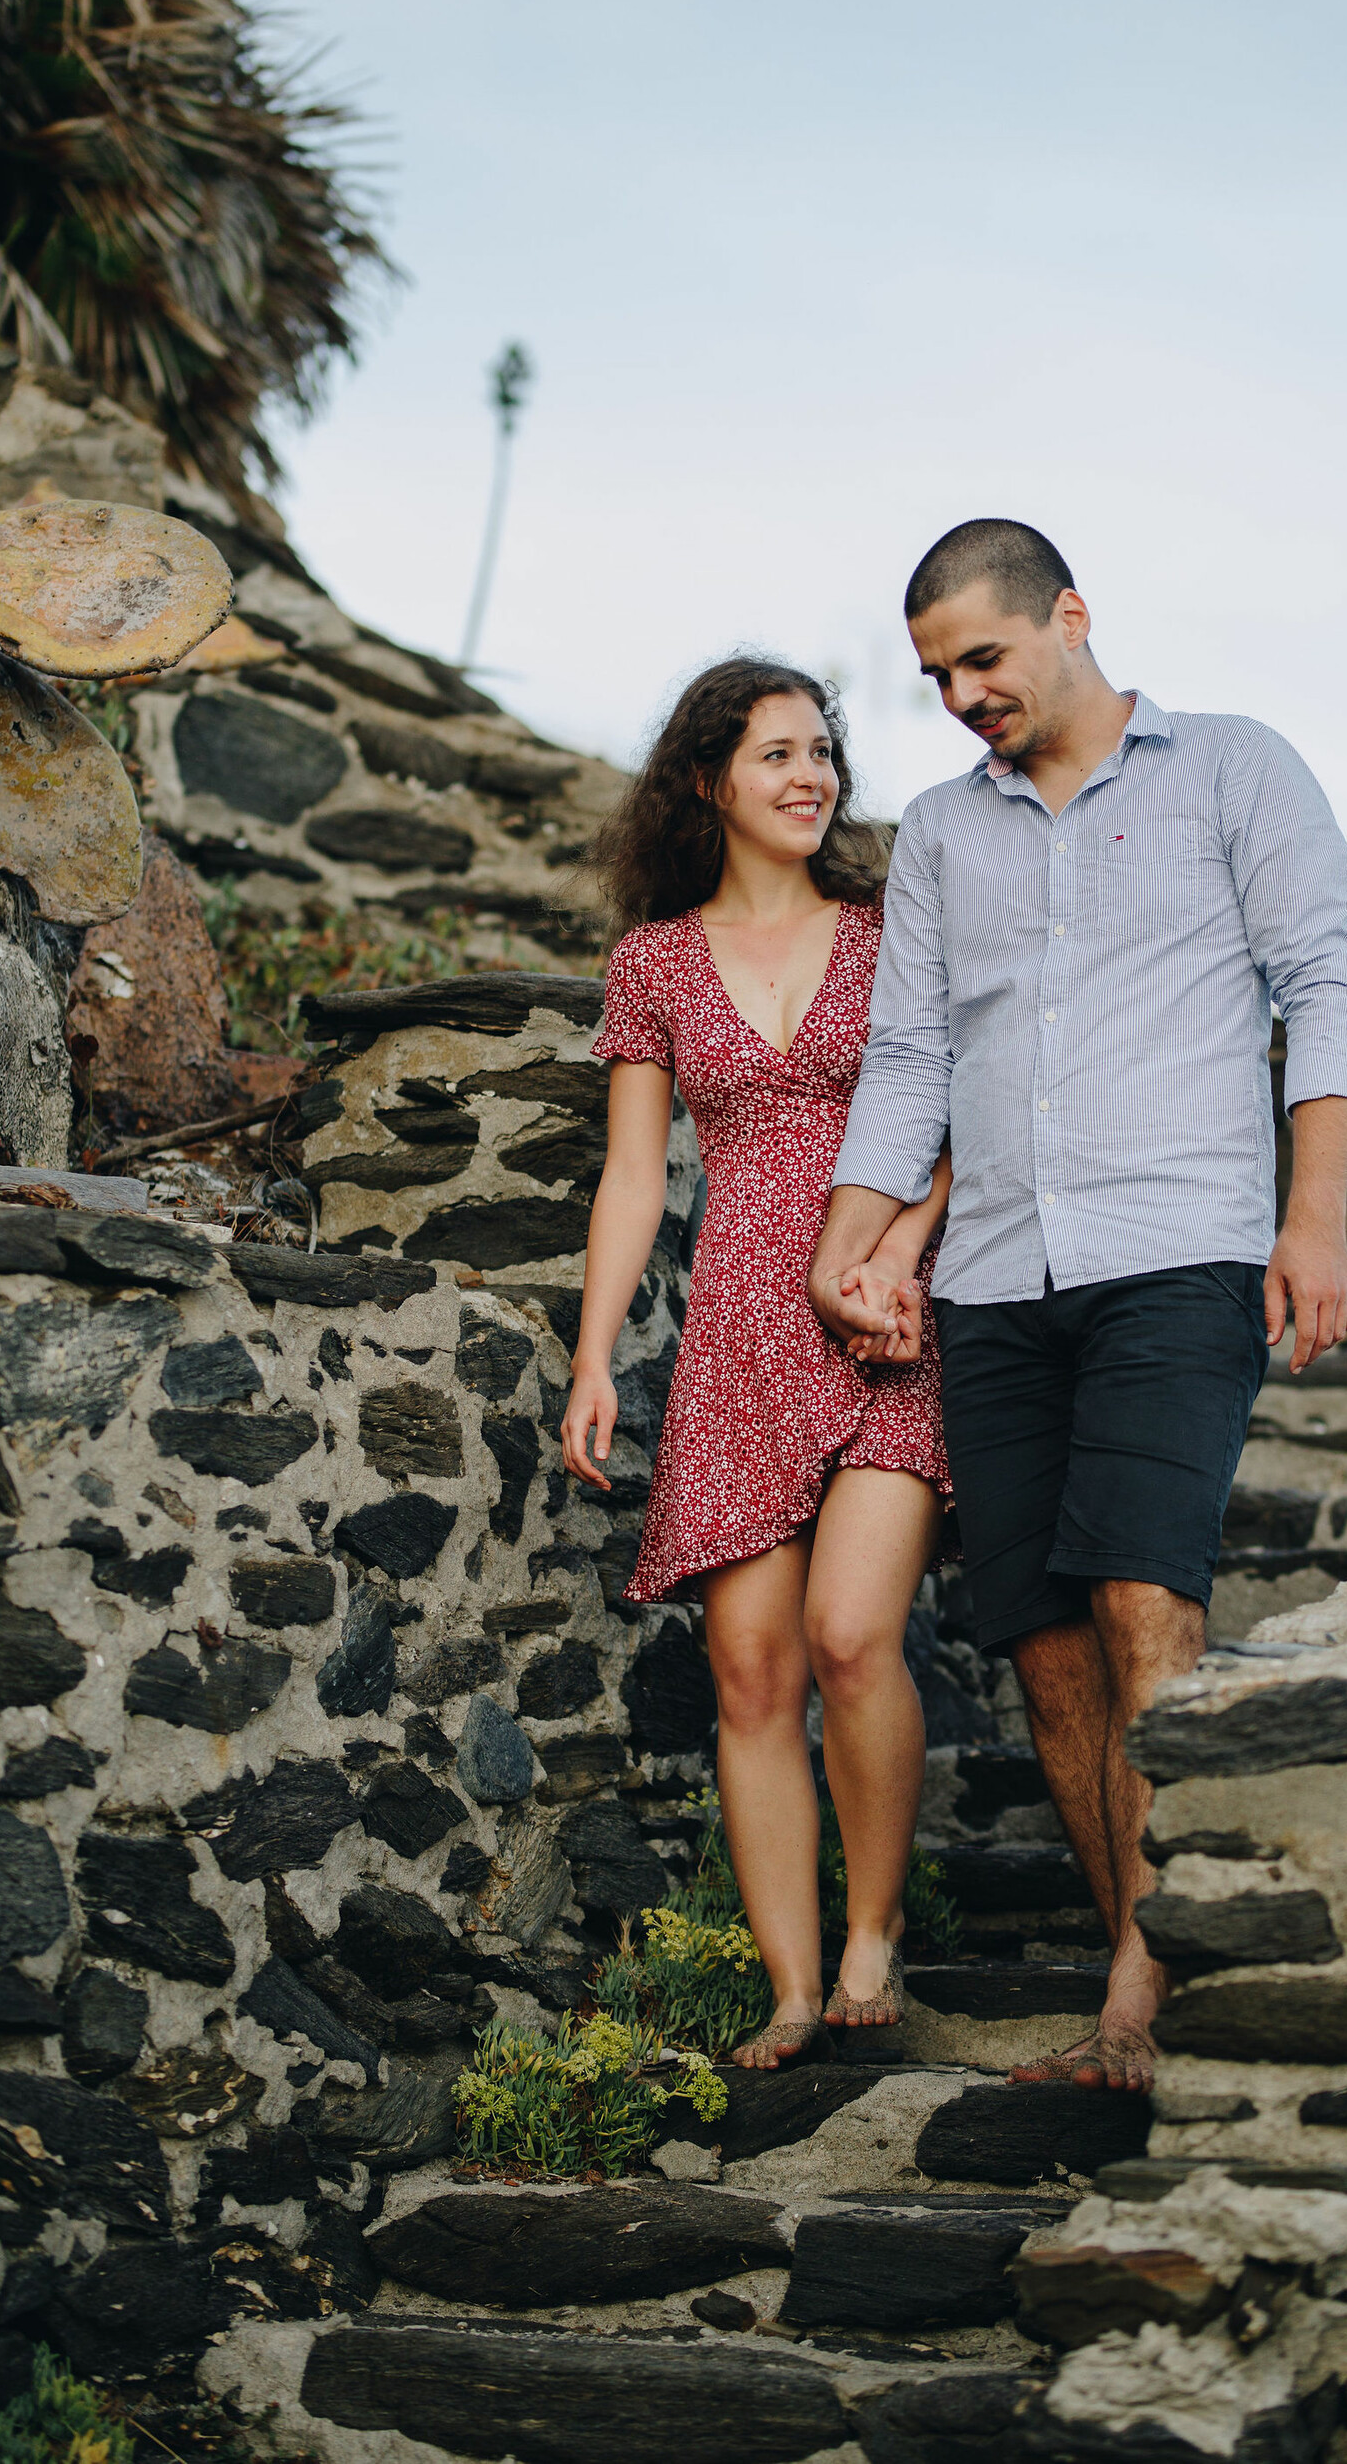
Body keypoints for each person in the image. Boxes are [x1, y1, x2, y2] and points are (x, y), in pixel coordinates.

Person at [809, 519, 1347, 2094]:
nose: (962, 696)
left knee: (1143, 1598)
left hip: (1179, 1253)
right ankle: (1151, 1937)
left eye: (983, 658)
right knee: (1047, 1649)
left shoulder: (1233, 771)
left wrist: (1309, 1220)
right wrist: (847, 1247)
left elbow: (1320, 986)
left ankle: (1134, 2002)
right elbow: (910, 1058)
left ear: (1069, 616)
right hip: (994, 1274)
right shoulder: (940, 832)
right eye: (935, 676)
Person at [561, 655, 952, 2068]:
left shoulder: (892, 925)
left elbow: (961, 1107)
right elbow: (628, 1179)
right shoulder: (655, 962)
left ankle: (872, 1940)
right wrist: (597, 1354)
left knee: (854, 1635)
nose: (810, 777)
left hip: (885, 1317)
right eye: (777, 754)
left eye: (822, 752)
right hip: (734, 1329)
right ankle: (794, 1991)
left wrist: (901, 1253)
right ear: (710, 779)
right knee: (748, 1673)